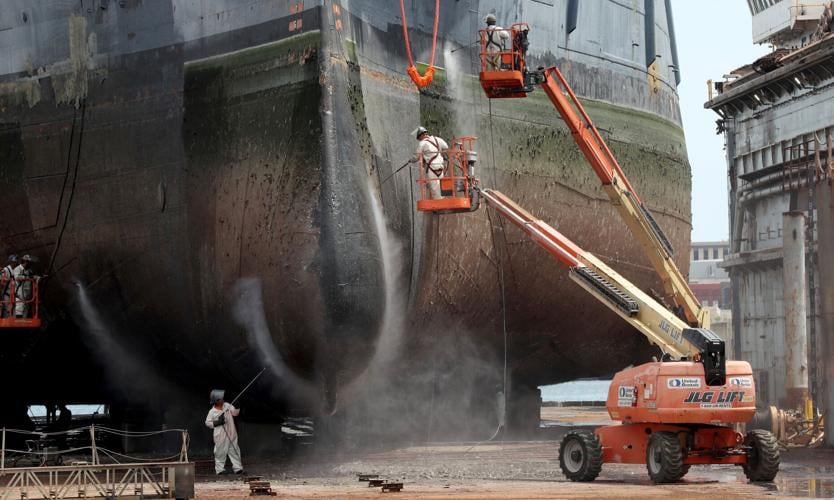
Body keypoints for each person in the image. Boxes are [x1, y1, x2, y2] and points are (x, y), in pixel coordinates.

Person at [205, 389, 244, 475]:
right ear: (216, 401)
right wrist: (217, 422)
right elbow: (207, 423)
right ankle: (220, 470)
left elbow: (235, 413)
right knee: (220, 453)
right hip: (220, 436)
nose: (223, 400)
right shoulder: (212, 412)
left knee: (235, 451)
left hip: (232, 433)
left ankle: (238, 468)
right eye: (220, 399)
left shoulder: (227, 405)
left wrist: (237, 407)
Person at [413, 126, 449, 200]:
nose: (419, 140)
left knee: (435, 189)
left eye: (419, 138)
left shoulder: (422, 143)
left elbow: (416, 157)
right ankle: (443, 202)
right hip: (440, 167)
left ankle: (439, 206)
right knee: (441, 187)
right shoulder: (436, 139)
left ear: (421, 135)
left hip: (432, 168)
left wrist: (411, 160)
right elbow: (446, 146)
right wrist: (438, 151)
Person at [13, 254, 38, 319]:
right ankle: (18, 325)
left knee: (26, 312)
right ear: (25, 262)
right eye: (29, 263)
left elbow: (32, 277)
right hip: (20, 293)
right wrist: (28, 277)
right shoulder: (17, 269)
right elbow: (17, 278)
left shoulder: (29, 271)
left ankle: (23, 326)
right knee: (19, 309)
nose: (30, 264)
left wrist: (36, 277)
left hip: (27, 294)